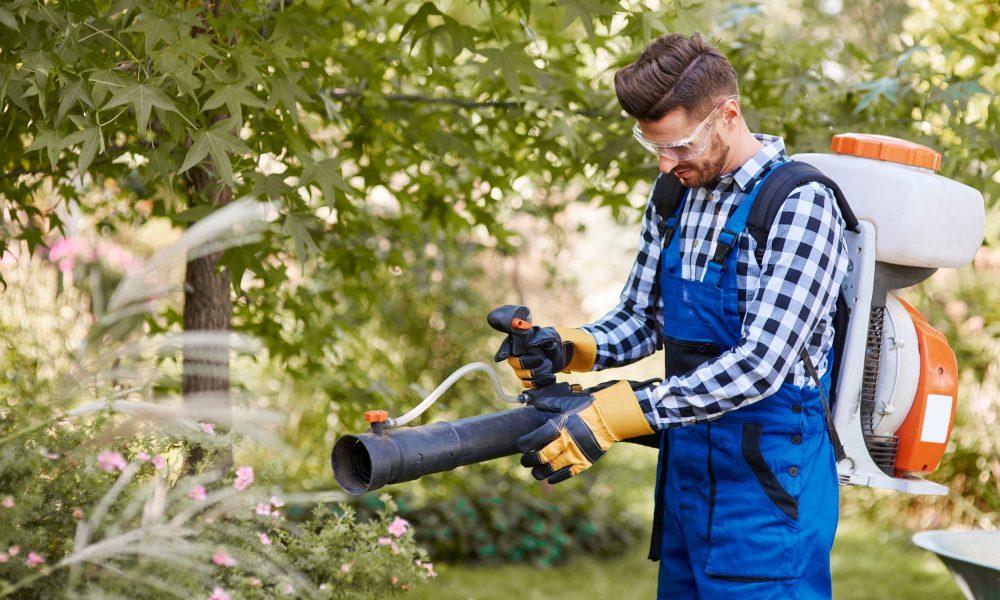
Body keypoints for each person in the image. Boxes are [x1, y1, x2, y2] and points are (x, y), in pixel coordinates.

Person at [500, 32, 849, 599]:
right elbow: (643, 318)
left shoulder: (799, 205)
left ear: (728, 115)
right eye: (654, 146)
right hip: (688, 480)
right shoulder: (674, 195)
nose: (666, 163)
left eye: (681, 145)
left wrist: (621, 413)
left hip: (769, 491)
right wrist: (568, 346)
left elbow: (761, 364)